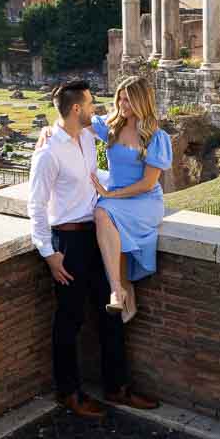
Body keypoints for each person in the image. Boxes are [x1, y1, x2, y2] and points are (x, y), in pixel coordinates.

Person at [28, 79, 159, 419]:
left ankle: (118, 388)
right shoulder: (48, 154)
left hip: (97, 233)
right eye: (89, 104)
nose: (96, 108)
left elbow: (113, 162)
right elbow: (36, 206)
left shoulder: (88, 136)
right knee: (69, 320)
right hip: (68, 242)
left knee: (111, 316)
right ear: (76, 109)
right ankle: (68, 392)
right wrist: (48, 252)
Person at [35, 75, 172, 323]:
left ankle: (121, 288)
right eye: (120, 98)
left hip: (144, 200)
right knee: (103, 214)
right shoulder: (111, 126)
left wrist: (110, 194)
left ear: (142, 102)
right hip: (115, 199)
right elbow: (72, 117)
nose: (122, 105)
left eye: (128, 100)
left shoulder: (154, 136)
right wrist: (49, 129)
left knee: (103, 212)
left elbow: (148, 183)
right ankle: (118, 290)